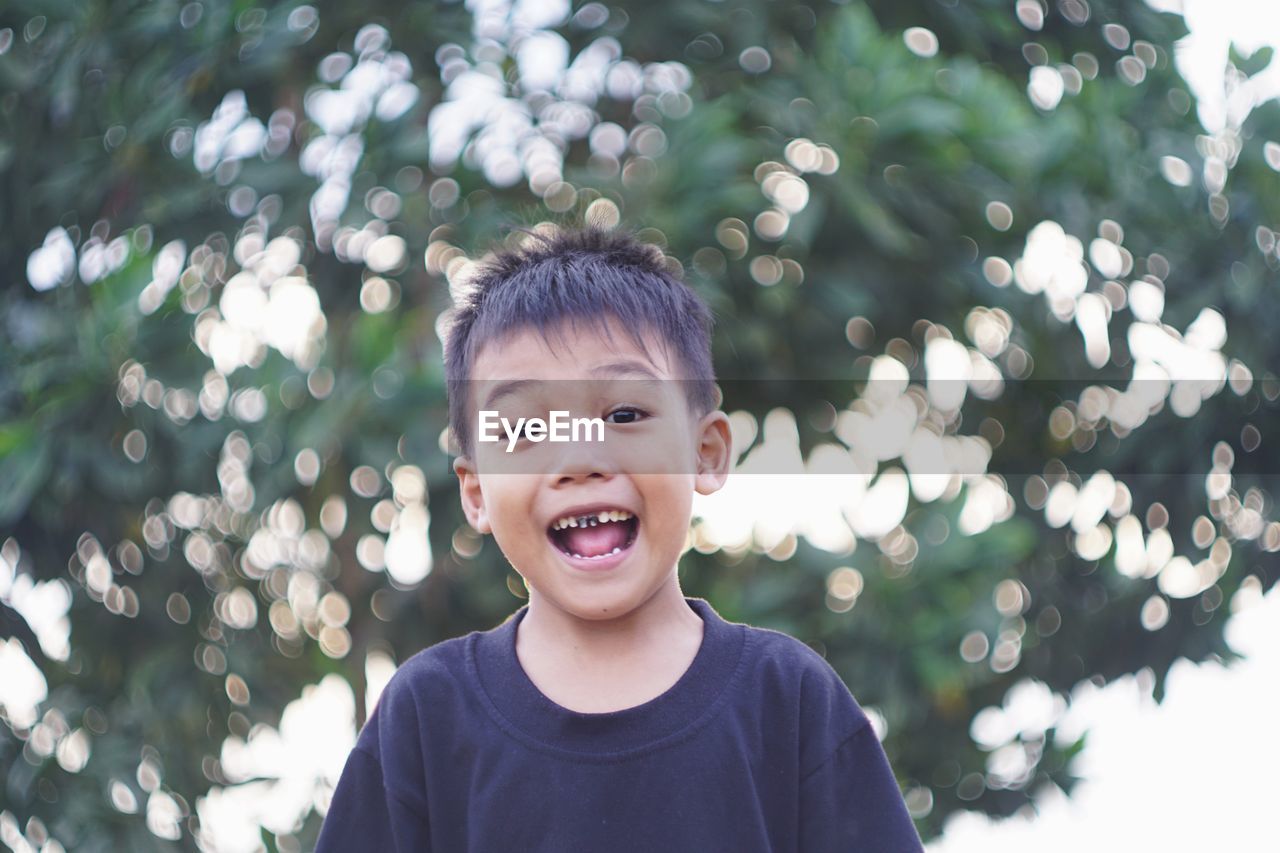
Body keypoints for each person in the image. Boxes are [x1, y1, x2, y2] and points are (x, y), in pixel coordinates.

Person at [316, 224, 925, 852]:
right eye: (525, 430)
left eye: (623, 415)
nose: (580, 457)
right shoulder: (426, 717)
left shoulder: (789, 700)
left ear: (707, 452)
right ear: (476, 493)